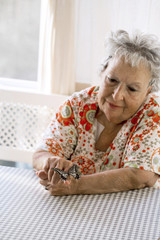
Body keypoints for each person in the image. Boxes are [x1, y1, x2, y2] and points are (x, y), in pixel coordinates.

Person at [33, 30, 160, 195]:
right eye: (112, 80)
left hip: (132, 213)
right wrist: (51, 164)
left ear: (148, 91)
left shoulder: (152, 114)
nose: (117, 95)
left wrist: (75, 186)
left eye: (132, 89)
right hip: (74, 208)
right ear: (102, 72)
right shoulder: (78, 104)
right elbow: (41, 154)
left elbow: (139, 175)